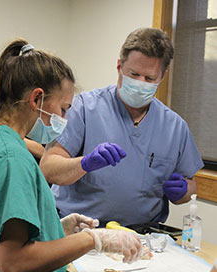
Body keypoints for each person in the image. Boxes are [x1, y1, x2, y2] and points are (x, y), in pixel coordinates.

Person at [0, 39, 142, 272]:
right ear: (36, 99)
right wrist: (93, 239)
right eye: (63, 109)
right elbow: (13, 263)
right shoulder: (10, 159)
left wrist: (55, 229)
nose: (65, 118)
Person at [39, 27, 204, 228]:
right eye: (133, 74)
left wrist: (183, 191)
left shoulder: (175, 127)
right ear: (119, 66)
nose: (140, 83)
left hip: (141, 237)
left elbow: (191, 185)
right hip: (82, 230)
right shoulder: (83, 108)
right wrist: (84, 164)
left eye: (149, 78)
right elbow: (48, 168)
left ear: (163, 76)